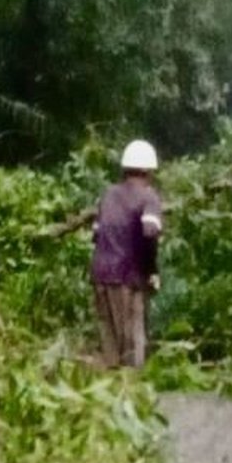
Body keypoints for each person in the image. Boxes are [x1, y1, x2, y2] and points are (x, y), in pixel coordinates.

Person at [91, 139, 164, 369]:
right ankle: (133, 393)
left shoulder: (107, 195)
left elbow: (96, 234)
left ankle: (111, 395)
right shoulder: (149, 197)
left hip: (100, 275)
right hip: (128, 278)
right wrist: (151, 271)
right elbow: (150, 234)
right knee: (132, 347)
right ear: (149, 171)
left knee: (109, 344)